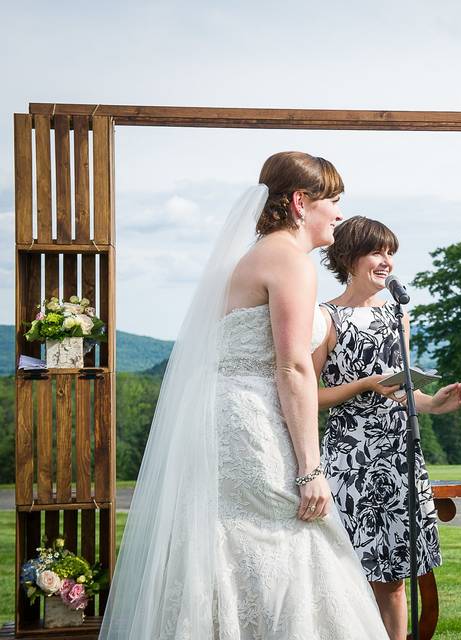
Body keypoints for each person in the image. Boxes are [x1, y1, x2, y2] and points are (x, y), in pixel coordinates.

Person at [100, 152, 389, 639]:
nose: (339, 214)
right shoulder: (291, 262)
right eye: (333, 201)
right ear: (301, 202)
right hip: (256, 423)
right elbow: (293, 366)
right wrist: (311, 468)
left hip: (225, 417)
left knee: (227, 541)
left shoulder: (250, 258)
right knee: (290, 533)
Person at [314, 216, 461, 640]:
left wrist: (434, 404)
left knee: (396, 579)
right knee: (350, 575)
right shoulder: (325, 318)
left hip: (398, 455)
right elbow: (306, 395)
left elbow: (402, 393)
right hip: (350, 458)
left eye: (391, 253)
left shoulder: (396, 316)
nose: (387, 261)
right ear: (348, 258)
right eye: (377, 252)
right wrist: (363, 385)